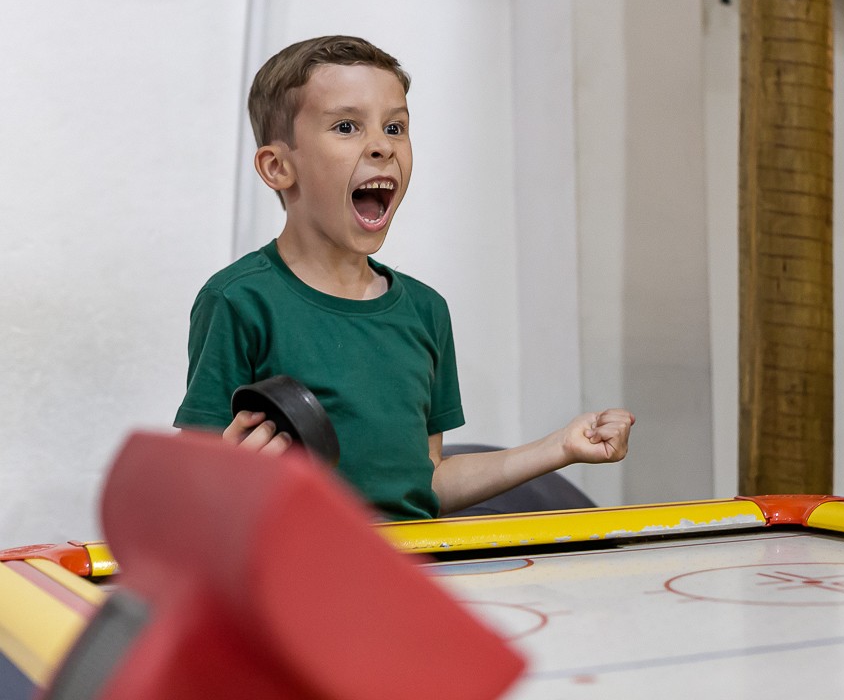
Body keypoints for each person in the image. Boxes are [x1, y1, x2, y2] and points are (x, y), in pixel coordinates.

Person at [174, 35, 634, 520]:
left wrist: (560, 446)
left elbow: (427, 482)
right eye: (347, 126)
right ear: (278, 167)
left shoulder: (425, 311)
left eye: (395, 127)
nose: (381, 147)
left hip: (407, 572)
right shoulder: (237, 301)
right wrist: (233, 484)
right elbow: (198, 494)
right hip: (297, 578)